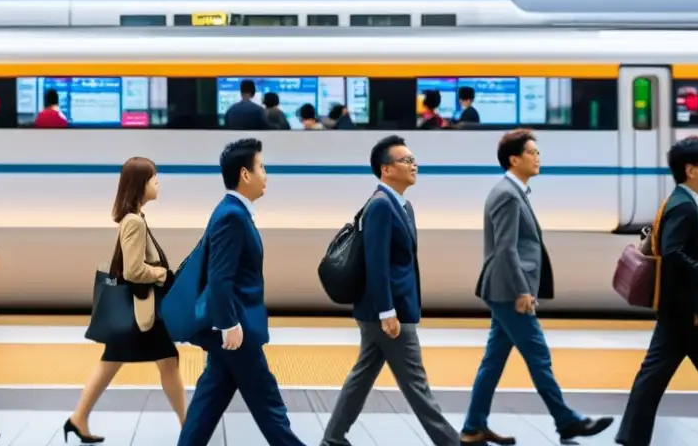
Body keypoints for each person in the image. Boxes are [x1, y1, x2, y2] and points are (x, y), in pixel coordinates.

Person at [460, 130, 611, 444]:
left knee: (493, 360)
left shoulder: (514, 192)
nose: (538, 157)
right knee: (538, 354)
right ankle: (567, 421)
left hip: (503, 289)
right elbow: (506, 249)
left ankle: (473, 427)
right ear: (514, 159)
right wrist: (522, 291)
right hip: (508, 291)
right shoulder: (507, 194)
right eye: (532, 152)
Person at [322, 136, 458, 446]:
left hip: (390, 309)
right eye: (405, 160)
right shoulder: (381, 206)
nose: (414, 165)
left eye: (413, 159)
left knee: (362, 377)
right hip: (386, 311)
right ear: (386, 170)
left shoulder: (404, 206)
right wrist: (387, 312)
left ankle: (332, 439)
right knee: (416, 384)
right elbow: (376, 264)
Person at [177, 138, 306, 446]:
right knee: (269, 406)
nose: (266, 174)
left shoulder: (233, 212)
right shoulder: (232, 216)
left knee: (207, 403)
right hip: (238, 331)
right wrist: (228, 324)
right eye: (261, 167)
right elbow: (220, 277)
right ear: (245, 174)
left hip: (234, 330)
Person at [66, 157, 185, 443]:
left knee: (115, 361)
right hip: (141, 309)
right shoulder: (134, 222)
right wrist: (159, 273)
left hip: (135, 311)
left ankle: (77, 419)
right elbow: (133, 271)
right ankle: (190, 427)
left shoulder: (135, 218)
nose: (157, 182)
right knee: (167, 361)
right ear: (140, 184)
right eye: (153, 177)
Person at [615, 136, 698, 446]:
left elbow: (690, 242)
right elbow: (672, 253)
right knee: (653, 375)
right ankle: (631, 437)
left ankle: (631, 437)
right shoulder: (683, 207)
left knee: (652, 376)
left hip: (679, 308)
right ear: (690, 169)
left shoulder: (680, 201)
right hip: (688, 310)